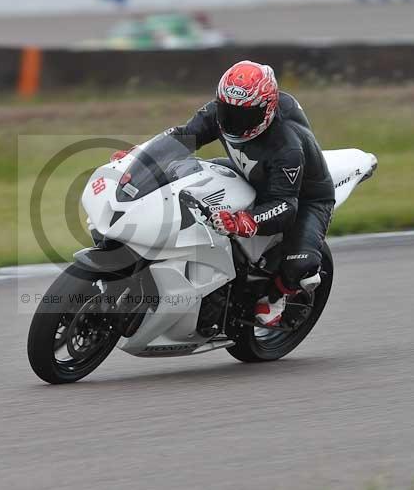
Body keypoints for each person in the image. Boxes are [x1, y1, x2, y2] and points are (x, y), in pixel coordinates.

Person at [116, 61, 335, 327]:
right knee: (179, 174)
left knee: (302, 268)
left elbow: (285, 205)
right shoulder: (218, 113)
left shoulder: (287, 147)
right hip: (247, 172)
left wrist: (247, 220)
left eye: (244, 116)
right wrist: (140, 158)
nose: (232, 121)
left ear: (266, 110)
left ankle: (278, 296)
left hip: (303, 196)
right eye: (227, 110)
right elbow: (182, 137)